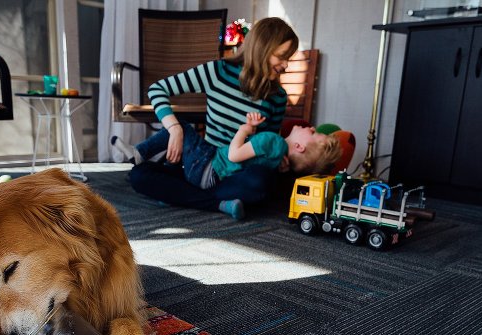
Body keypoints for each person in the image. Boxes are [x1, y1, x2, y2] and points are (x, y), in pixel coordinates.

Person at [115, 17, 301, 220]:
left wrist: (278, 163)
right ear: (262, 48)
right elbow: (157, 89)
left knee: (261, 181)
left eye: (288, 59)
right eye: (282, 57)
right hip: (201, 163)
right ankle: (217, 203)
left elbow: (266, 145)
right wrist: (174, 128)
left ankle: (180, 195)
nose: (285, 65)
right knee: (139, 176)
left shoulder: (278, 97)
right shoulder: (217, 71)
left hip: (235, 173)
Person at [114, 112, 342, 193]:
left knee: (181, 128)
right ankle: (143, 156)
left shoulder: (272, 140)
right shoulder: (278, 160)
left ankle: (139, 153)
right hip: (211, 175)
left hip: (207, 166)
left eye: (313, 133)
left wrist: (244, 130)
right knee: (183, 139)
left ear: (300, 147)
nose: (311, 127)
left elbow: (234, 155)